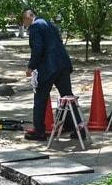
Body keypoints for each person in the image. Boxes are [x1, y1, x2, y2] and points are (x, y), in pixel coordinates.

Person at [22, 9, 74, 141]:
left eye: (24, 21)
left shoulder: (35, 27)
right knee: (68, 97)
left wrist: (31, 66)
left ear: (28, 17)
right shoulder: (49, 24)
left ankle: (39, 131)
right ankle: (77, 126)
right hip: (63, 64)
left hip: (48, 67)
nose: (25, 24)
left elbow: (37, 49)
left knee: (40, 98)